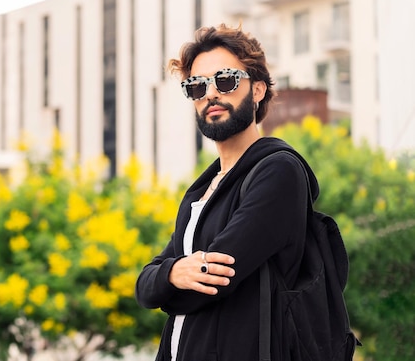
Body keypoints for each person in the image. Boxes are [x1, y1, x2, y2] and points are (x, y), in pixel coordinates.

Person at [135, 24, 318, 361]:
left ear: (258, 90)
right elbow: (143, 286)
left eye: (225, 80)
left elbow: (210, 284)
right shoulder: (201, 191)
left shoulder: (278, 172)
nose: (210, 95)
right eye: (196, 86)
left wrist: (167, 285)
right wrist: (174, 274)